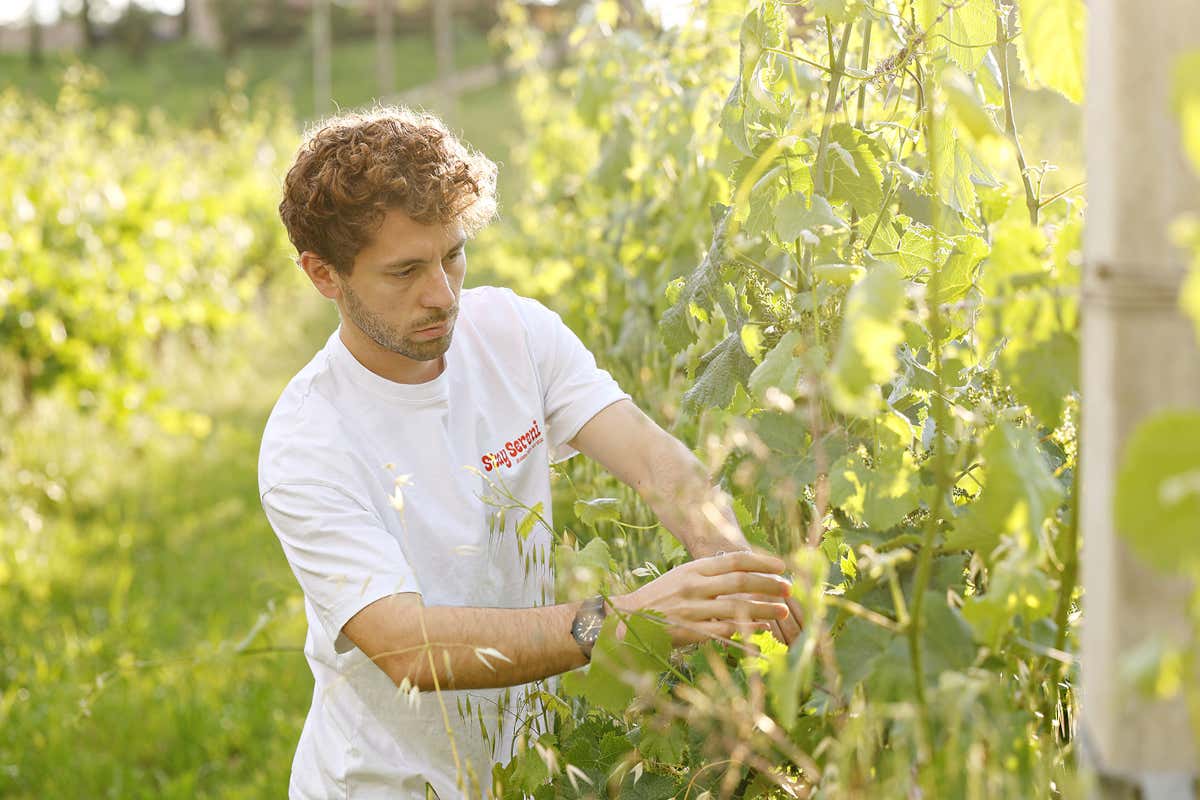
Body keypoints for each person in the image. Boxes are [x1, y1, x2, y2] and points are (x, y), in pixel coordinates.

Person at [259, 105, 802, 800]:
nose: (442, 294)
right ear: (323, 274)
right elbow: (405, 647)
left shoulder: (513, 331)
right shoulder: (308, 440)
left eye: (453, 255)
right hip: (388, 785)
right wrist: (624, 625)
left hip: (529, 775)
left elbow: (657, 463)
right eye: (404, 273)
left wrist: (738, 576)